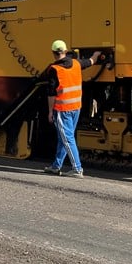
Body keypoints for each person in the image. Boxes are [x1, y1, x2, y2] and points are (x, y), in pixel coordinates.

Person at [43, 40, 101, 177]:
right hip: (76, 108)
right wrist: (97, 54)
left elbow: (51, 93)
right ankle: (56, 166)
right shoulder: (76, 63)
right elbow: (91, 61)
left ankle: (77, 169)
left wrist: (50, 111)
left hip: (62, 109)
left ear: (53, 53)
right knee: (64, 137)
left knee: (67, 138)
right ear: (65, 51)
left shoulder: (54, 69)